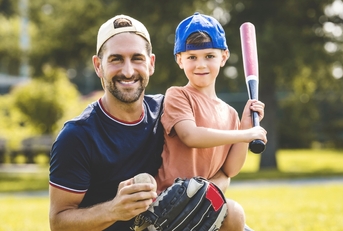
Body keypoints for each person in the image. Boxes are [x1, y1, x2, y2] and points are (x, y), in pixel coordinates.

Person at [49, 14, 229, 231]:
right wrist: (113, 209)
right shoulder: (77, 136)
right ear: (98, 66)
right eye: (116, 59)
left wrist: (201, 196)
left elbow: (221, 172)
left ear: (151, 63)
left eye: (137, 58)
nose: (128, 71)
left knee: (235, 216)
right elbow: (58, 222)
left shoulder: (170, 113)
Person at [154, 12, 267, 231]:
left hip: (204, 209)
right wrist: (244, 134)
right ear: (179, 59)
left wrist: (245, 125)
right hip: (170, 210)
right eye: (192, 57)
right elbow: (191, 135)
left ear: (223, 57)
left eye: (209, 56)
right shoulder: (178, 95)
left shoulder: (230, 114)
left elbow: (230, 170)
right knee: (234, 212)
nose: (200, 64)